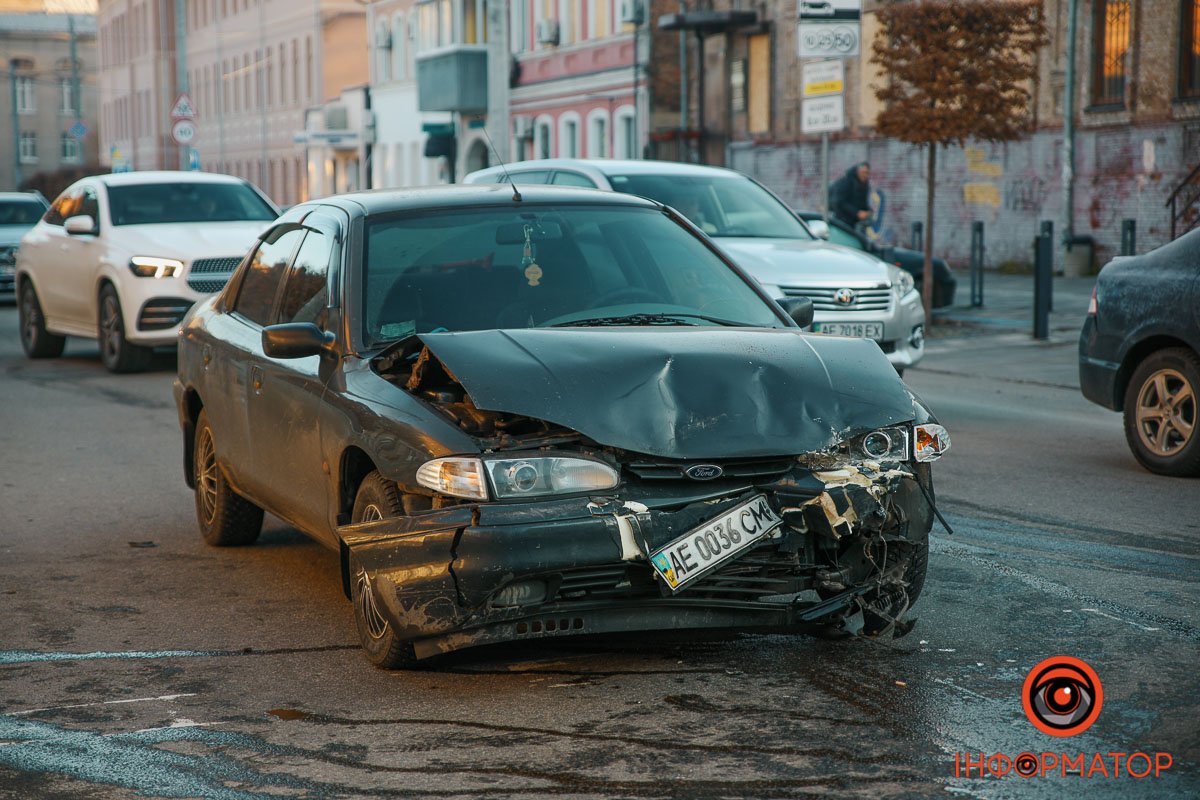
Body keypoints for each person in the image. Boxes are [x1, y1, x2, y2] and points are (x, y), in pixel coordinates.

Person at [829, 162, 873, 230]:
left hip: (854, 223)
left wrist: (868, 211)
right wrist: (857, 213)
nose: (865, 175)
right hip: (842, 221)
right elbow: (840, 202)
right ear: (857, 171)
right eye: (863, 172)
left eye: (867, 173)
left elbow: (862, 203)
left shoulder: (865, 185)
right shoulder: (846, 182)